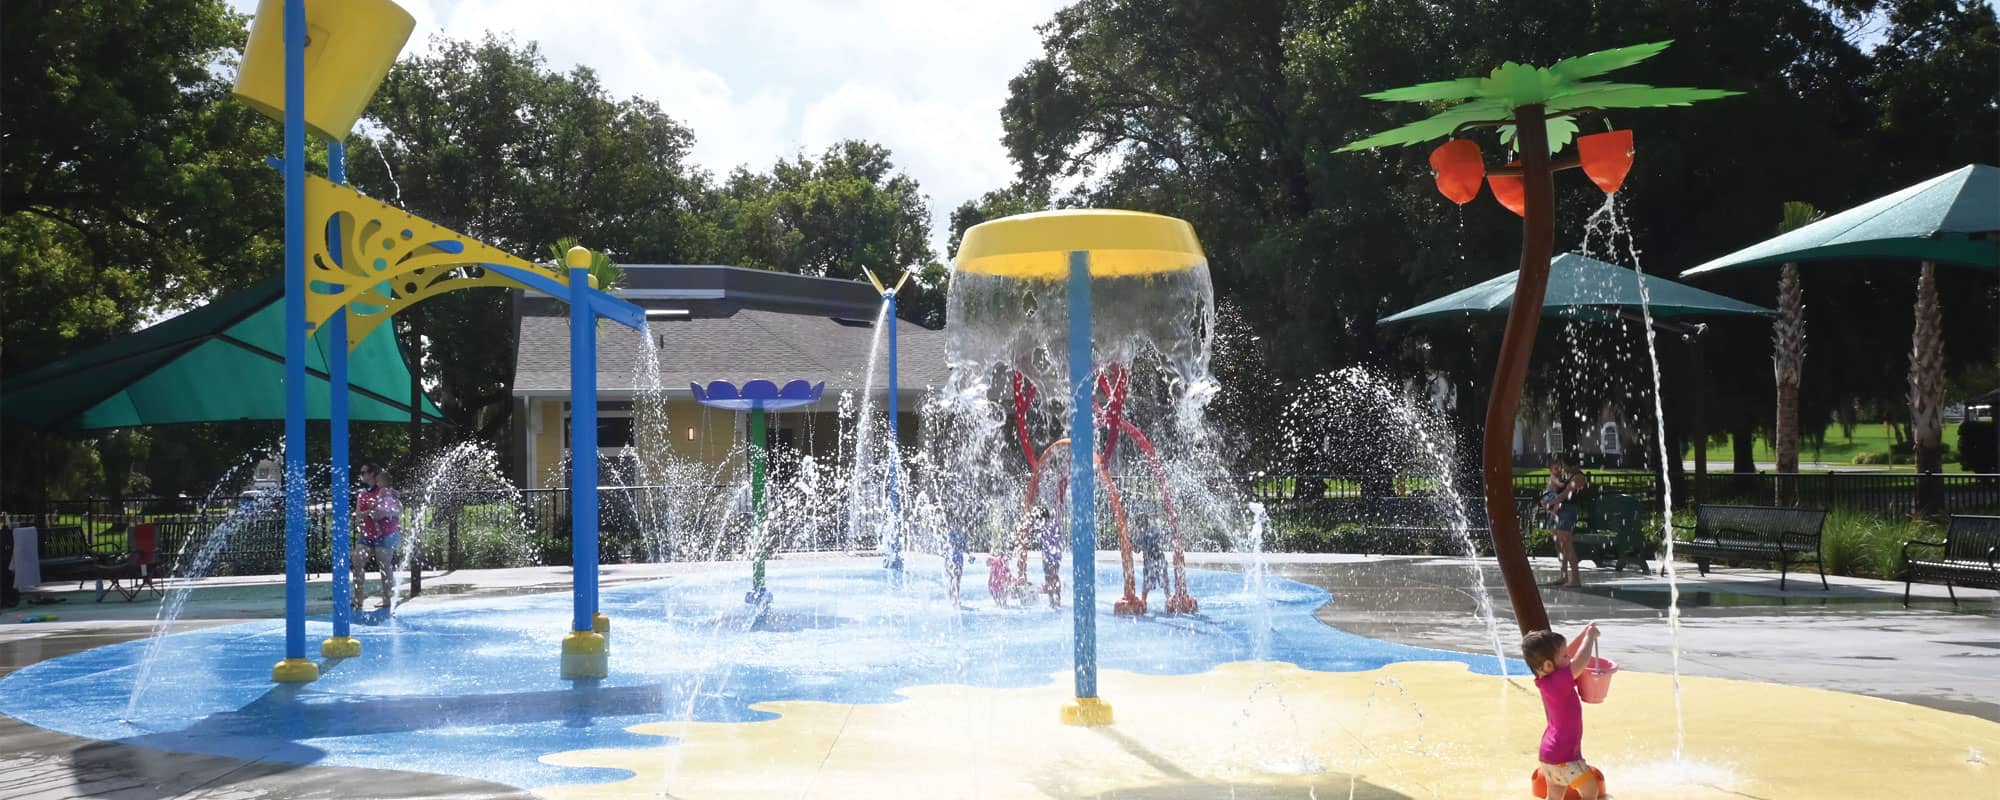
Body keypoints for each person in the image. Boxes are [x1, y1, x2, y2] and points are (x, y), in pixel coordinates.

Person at [1524, 623, 1603, 800]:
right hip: (1565, 757)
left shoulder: (1546, 679)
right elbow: (1580, 662)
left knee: (1555, 796)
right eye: (1565, 655)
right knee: (1591, 791)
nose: (1569, 657)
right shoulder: (1559, 681)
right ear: (1548, 665)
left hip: (1549, 756)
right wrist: (1590, 639)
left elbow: (1569, 657)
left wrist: (1584, 635)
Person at [352, 464, 402, 610]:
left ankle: (387, 599)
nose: (361, 475)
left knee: (384, 565)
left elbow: (399, 510)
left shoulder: (386, 491)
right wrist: (368, 513)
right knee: (357, 561)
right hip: (367, 534)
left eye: (364, 472)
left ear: (373, 474)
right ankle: (358, 598)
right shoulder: (362, 494)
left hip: (386, 533)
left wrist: (385, 514)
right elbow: (358, 514)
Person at [1541, 454, 1589, 588]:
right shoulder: (1568, 476)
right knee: (1559, 544)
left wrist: (1549, 503)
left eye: (1565, 465)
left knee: (1567, 545)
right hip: (1560, 511)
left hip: (1567, 512)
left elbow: (1564, 495)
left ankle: (1576, 579)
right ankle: (1563, 576)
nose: (1563, 468)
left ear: (1572, 465)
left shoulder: (1578, 477)